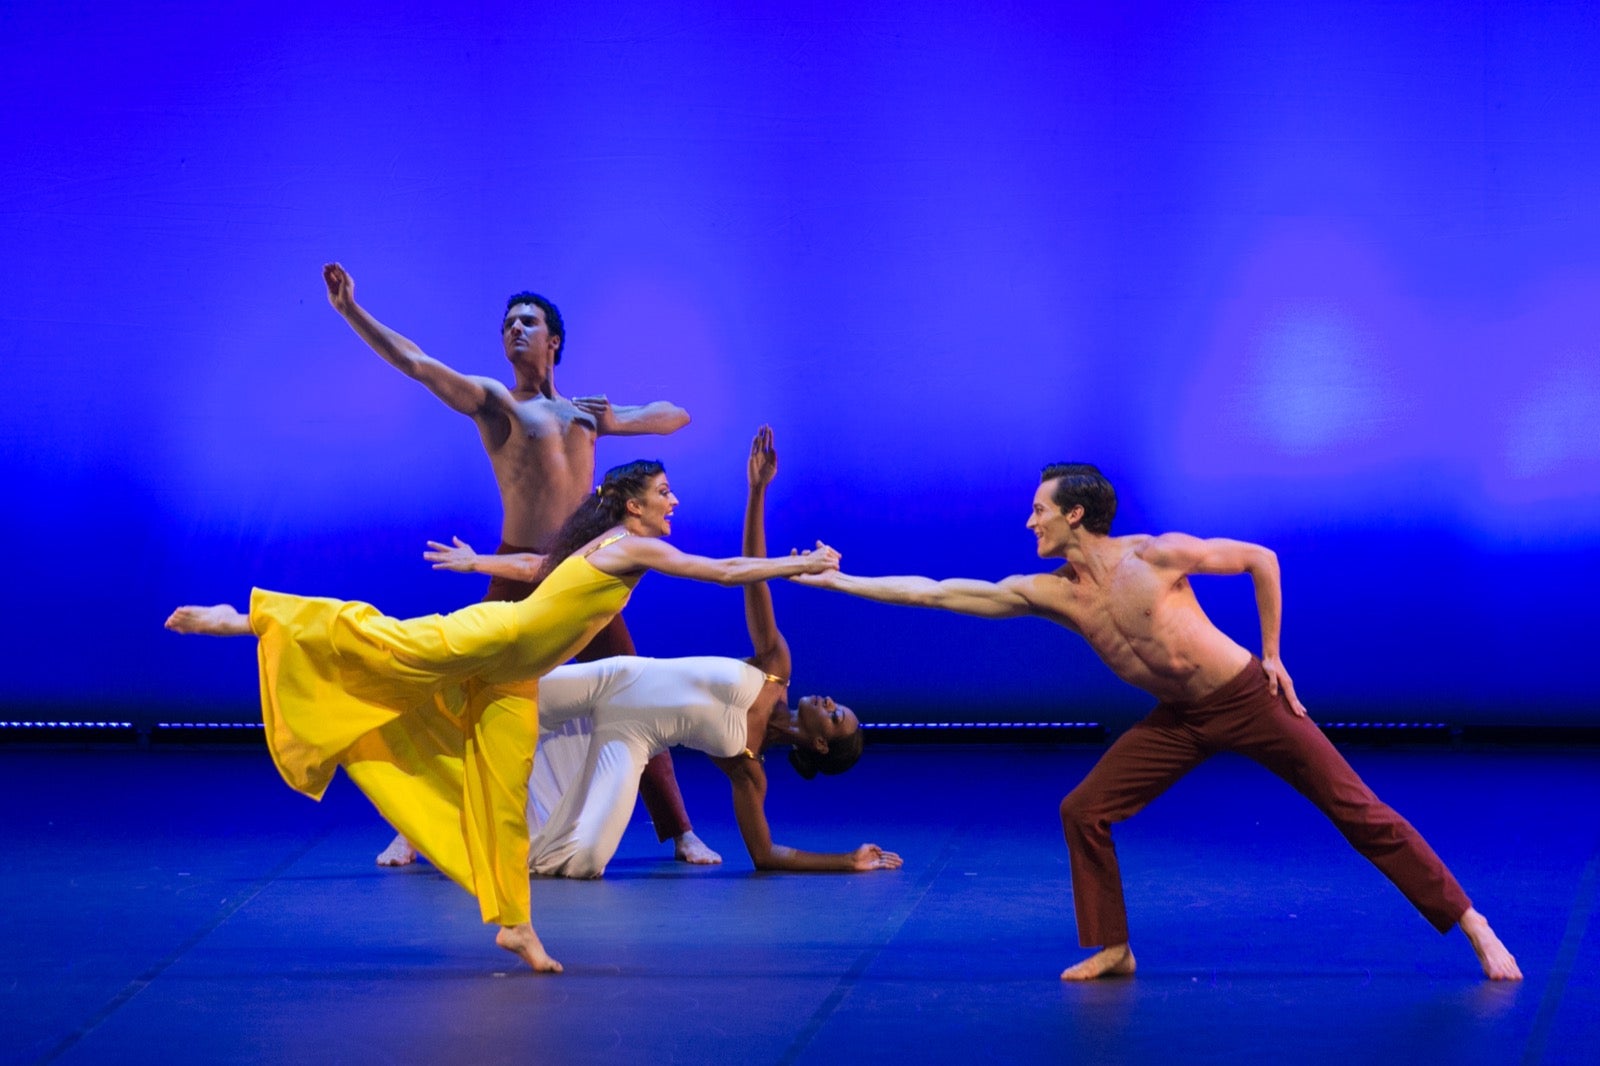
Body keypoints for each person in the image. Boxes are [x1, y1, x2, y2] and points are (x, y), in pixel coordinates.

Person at [791, 463, 1521, 982]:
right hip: (1181, 717)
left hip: (1246, 697)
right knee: (1084, 810)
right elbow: (940, 594)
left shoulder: (1155, 555)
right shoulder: (1052, 593)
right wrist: (839, 580)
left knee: (1354, 808)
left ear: (1074, 513)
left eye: (1039, 509)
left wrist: (1272, 655)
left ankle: (1472, 924)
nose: (1029, 520)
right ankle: (1113, 948)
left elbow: (1261, 560)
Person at [165, 458, 841, 974]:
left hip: (517, 676)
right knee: (386, 641)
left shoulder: (600, 546)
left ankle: (516, 924)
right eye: (664, 492)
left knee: (505, 791)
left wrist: (478, 560)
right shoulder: (633, 546)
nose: (674, 502)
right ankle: (249, 616)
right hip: (497, 639)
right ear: (634, 506)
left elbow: (531, 563)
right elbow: (721, 570)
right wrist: (802, 563)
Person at [321, 263, 718, 867]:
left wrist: (606, 411)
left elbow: (675, 416)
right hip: (514, 569)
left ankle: (681, 830)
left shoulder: (585, 415)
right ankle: (415, 827)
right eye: (507, 324)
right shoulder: (498, 404)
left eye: (527, 322)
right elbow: (419, 364)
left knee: (633, 692)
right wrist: (351, 311)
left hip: (580, 570)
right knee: (460, 690)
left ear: (553, 340)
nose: (514, 330)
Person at [428, 427, 900, 878]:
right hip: (612, 680)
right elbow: (747, 574)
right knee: (484, 699)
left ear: (820, 744)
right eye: (840, 706)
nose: (831, 703)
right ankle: (415, 810)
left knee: (585, 861)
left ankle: (488, 841)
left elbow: (766, 854)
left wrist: (845, 860)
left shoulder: (748, 768)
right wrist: (757, 493)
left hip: (631, 739)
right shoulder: (775, 670)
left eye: (837, 717)